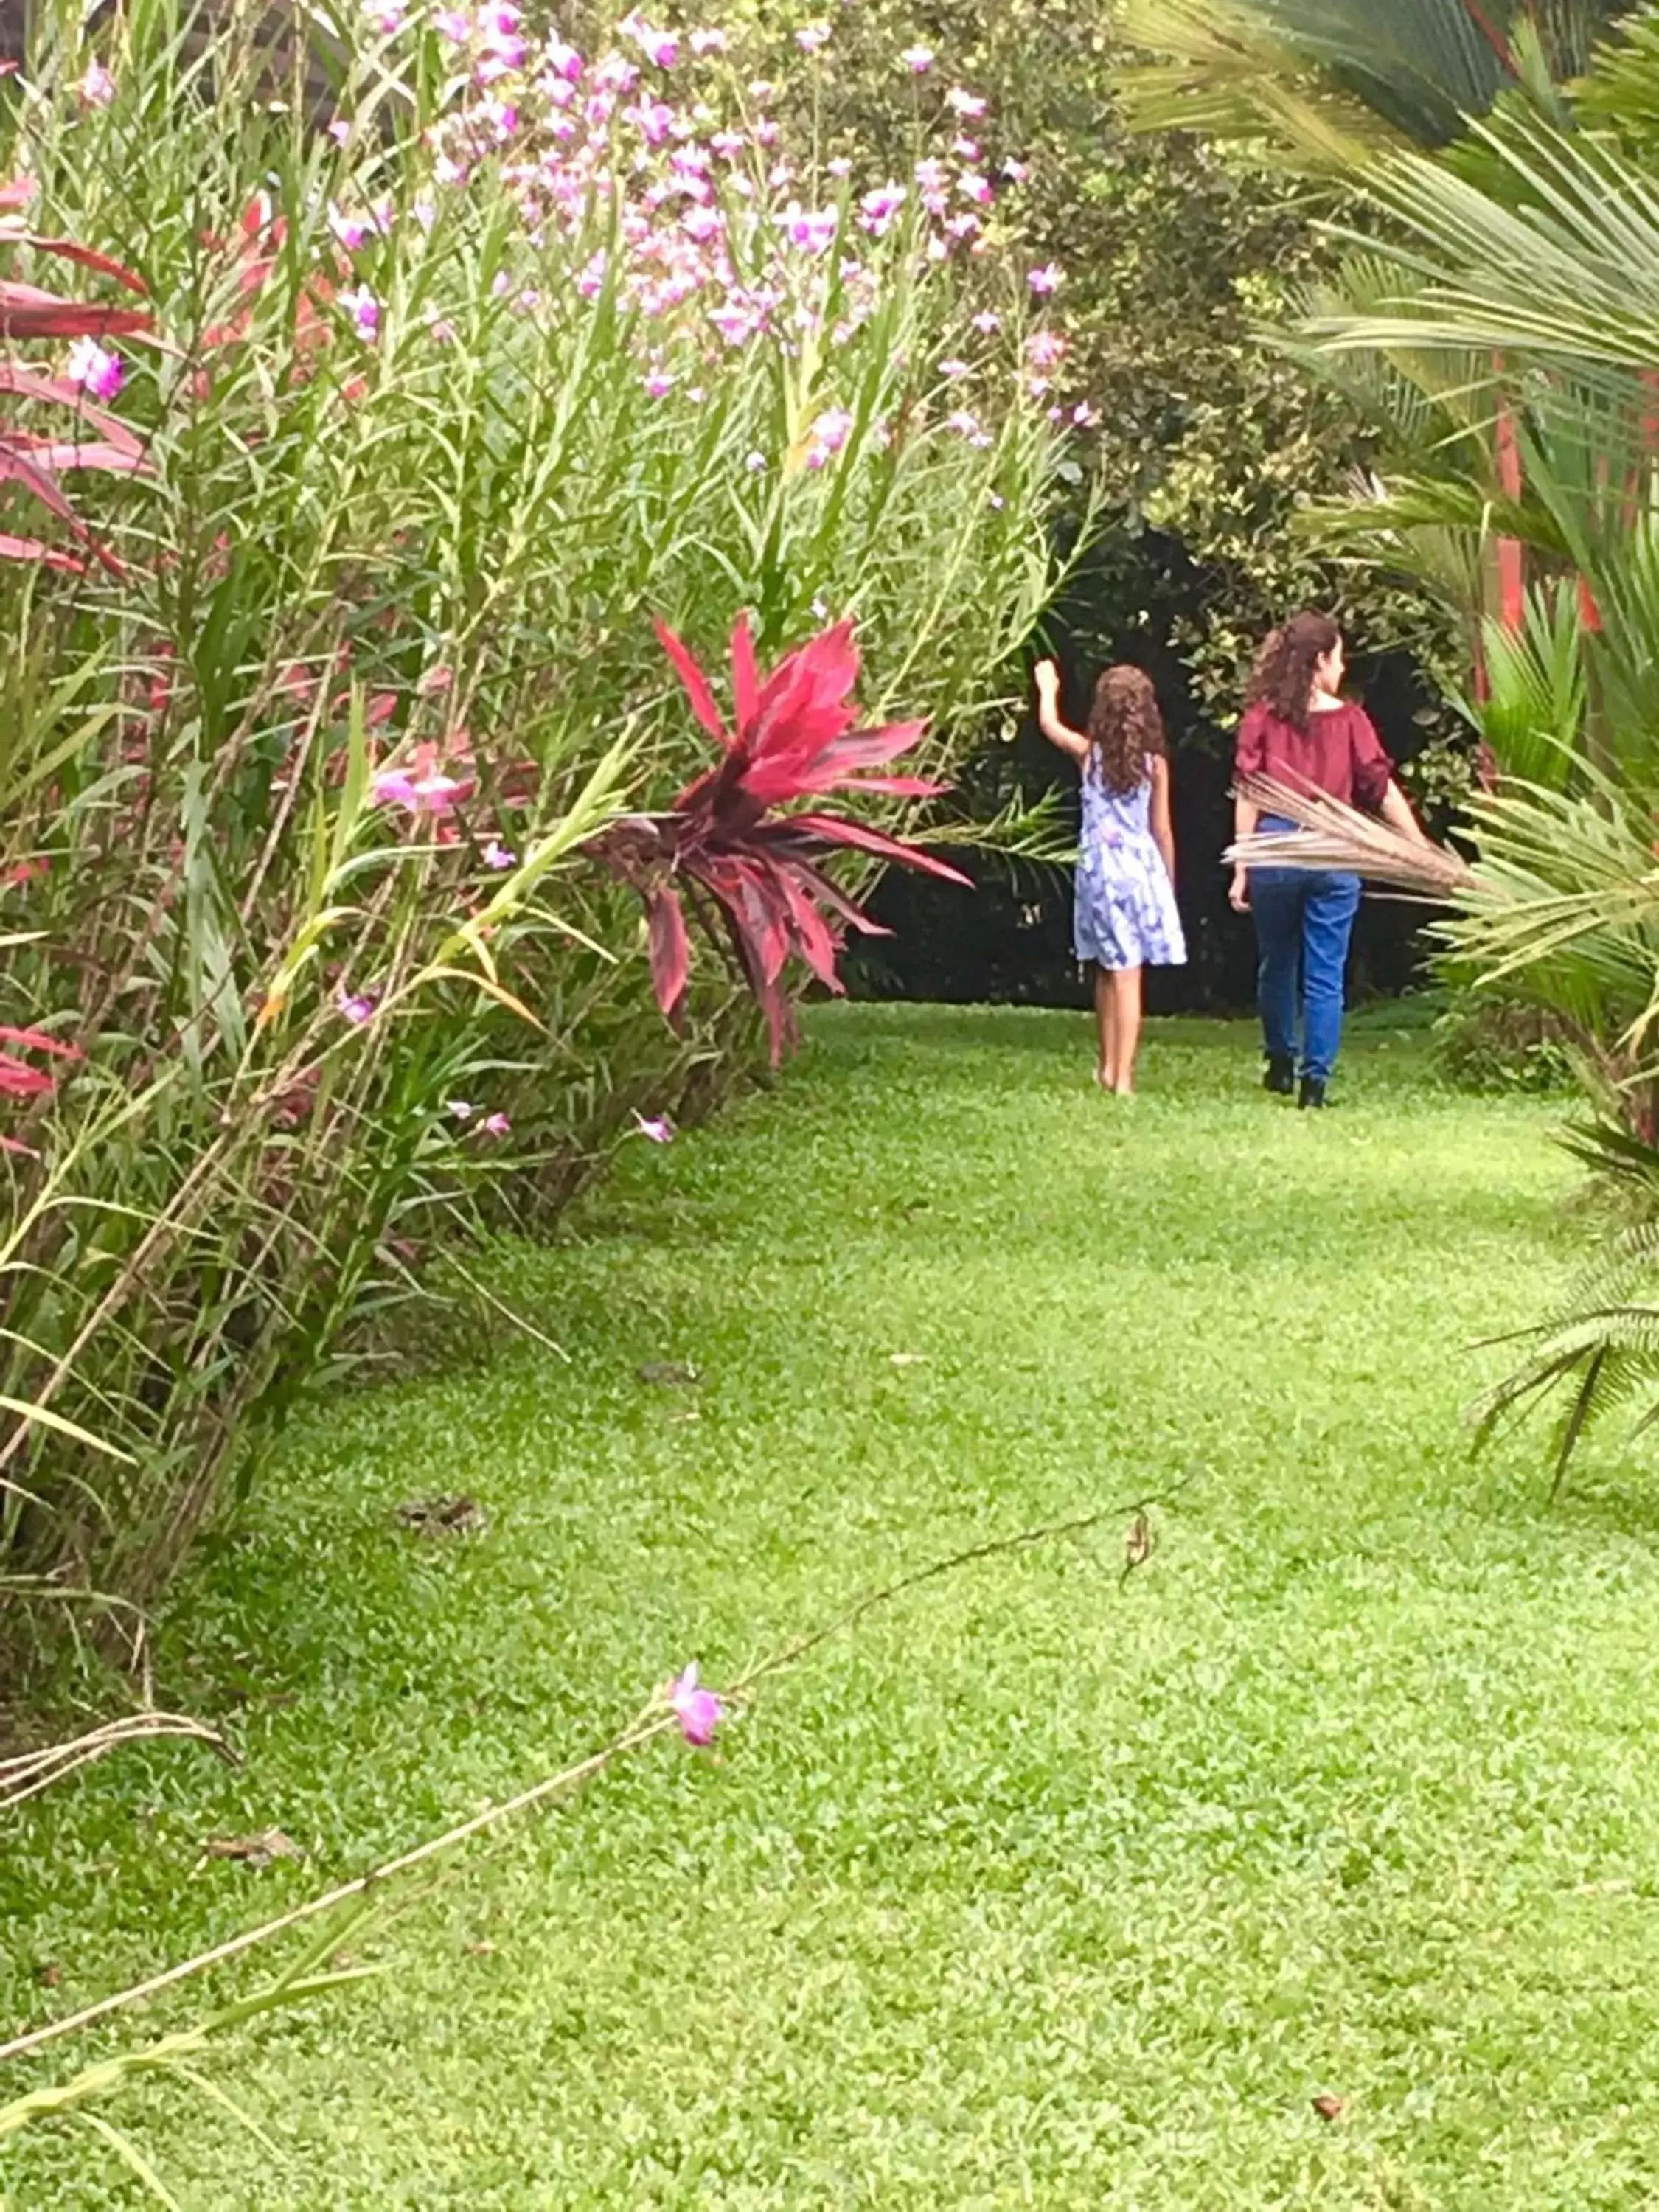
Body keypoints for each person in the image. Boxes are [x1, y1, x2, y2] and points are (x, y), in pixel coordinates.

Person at [1230, 611, 1427, 1110]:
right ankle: (1314, 1083)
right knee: (1326, 972)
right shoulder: (1351, 722)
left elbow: (1249, 792)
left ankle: (1279, 1059)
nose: (1342, 669)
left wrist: (1242, 865)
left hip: (1275, 848)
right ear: (1320, 661)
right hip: (1334, 849)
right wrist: (1418, 845)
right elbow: (1380, 791)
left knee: (1277, 961)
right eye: (1339, 658)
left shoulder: (1262, 718)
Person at [1034, 658, 1187, 1096]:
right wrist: (1169, 883)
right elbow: (1162, 829)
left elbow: (1049, 724)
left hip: (1098, 871)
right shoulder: (1155, 765)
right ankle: (1123, 1078)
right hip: (1139, 871)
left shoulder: (1089, 757)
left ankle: (1106, 1067)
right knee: (1129, 974)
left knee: (1106, 968)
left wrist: (1048, 686)